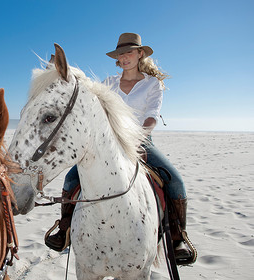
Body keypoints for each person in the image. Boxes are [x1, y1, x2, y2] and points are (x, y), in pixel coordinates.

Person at [45, 33, 195, 264]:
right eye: (121, 54)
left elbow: (152, 117)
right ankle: (64, 228)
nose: (125, 57)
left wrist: (137, 136)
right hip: (107, 144)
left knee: (175, 181)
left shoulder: (152, 84)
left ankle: (177, 238)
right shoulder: (108, 83)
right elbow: (84, 87)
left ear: (140, 54)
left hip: (140, 142)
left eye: (130, 52)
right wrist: (64, 68)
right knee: (71, 179)